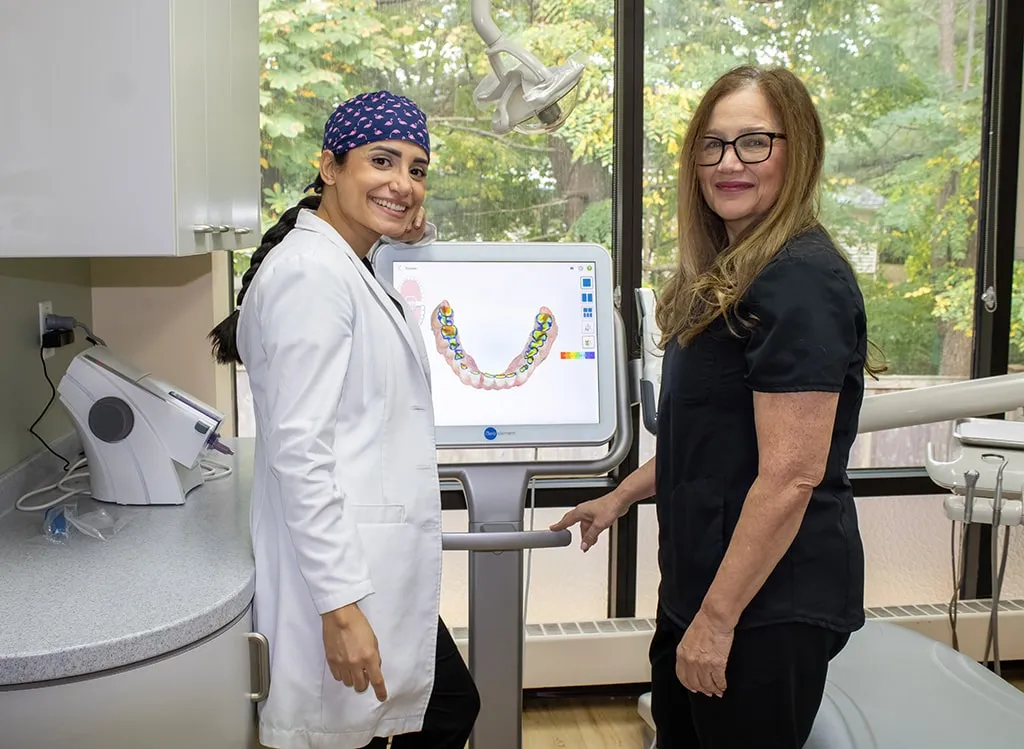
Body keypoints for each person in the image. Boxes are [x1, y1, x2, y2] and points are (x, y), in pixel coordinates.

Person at [552, 66, 877, 748]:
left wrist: (718, 620)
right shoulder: (729, 272)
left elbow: (789, 476)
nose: (729, 162)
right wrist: (619, 497)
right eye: (713, 144)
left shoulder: (801, 280)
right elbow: (708, 438)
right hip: (704, 585)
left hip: (766, 605)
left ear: (798, 151)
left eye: (754, 142)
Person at [208, 90, 479, 749]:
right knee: (432, 715)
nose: (403, 182)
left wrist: (400, 220)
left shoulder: (342, 261)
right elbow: (302, 451)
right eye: (382, 160)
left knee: (443, 708)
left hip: (363, 560)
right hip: (342, 576)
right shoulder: (312, 275)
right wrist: (341, 607)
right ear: (329, 165)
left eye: (417, 169)